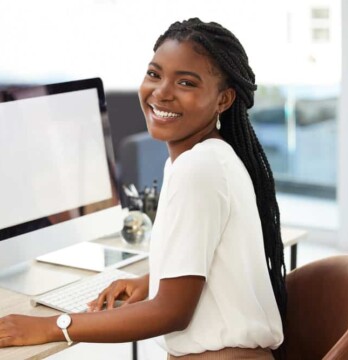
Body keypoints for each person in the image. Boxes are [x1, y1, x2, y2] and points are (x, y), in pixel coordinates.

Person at [0, 18, 286, 359]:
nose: (162, 91)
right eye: (154, 74)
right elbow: (210, 252)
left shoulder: (199, 169)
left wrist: (51, 325)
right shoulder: (211, 156)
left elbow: (171, 313)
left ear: (223, 99)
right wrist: (153, 279)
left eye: (186, 82)